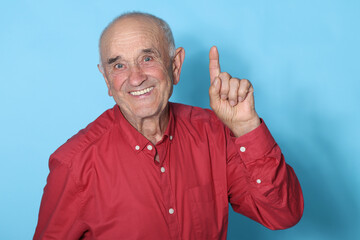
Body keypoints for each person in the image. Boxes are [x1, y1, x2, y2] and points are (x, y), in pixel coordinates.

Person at [34, 12, 304, 240]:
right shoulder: (74, 164)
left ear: (175, 66)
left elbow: (282, 214)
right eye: (119, 65)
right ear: (106, 79)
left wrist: (247, 128)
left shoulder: (214, 134)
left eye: (148, 58)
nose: (136, 77)